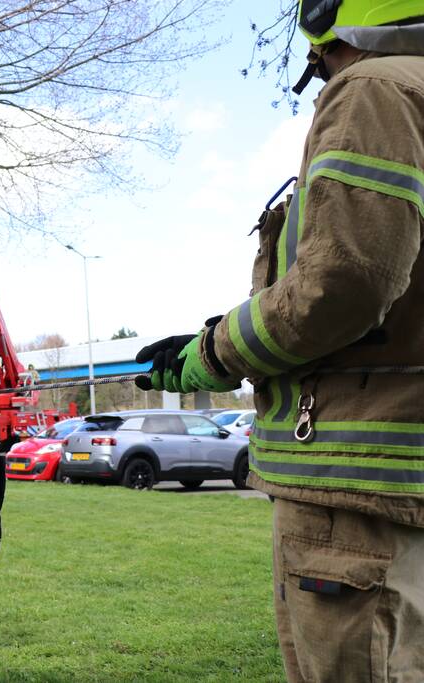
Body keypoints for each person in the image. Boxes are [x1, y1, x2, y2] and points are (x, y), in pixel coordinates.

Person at [134, 2, 424, 680]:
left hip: (353, 495)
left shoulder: (374, 90)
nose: (319, 75)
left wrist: (211, 352)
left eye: (318, 60)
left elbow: (342, 282)